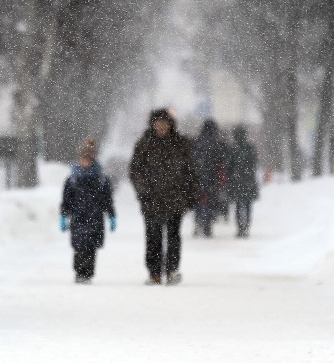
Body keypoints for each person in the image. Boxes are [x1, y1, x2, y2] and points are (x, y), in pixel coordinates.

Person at [129, 109, 198, 285]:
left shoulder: (181, 144)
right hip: (151, 200)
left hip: (176, 198)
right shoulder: (144, 144)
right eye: (158, 123)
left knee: (174, 236)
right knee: (153, 237)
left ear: (170, 124)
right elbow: (135, 171)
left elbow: (190, 171)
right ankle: (154, 273)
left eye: (164, 123)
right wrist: (143, 191)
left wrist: (191, 193)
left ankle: (172, 269)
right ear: (152, 124)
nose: (161, 126)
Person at [60, 138, 116, 284]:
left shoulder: (101, 180)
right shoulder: (72, 180)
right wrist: (64, 215)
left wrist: (111, 215)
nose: (84, 162)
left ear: (92, 160)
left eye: (87, 160)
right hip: (77, 218)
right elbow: (66, 200)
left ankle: (88, 273)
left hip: (95, 218)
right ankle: (79, 272)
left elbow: (107, 199)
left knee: (90, 247)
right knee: (79, 246)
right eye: (81, 159)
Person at [192, 120, 227, 237]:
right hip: (212, 178)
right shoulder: (216, 144)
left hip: (197, 177)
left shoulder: (196, 142)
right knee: (210, 201)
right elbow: (220, 163)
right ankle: (207, 226)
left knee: (198, 201)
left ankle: (197, 222)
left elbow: (191, 160)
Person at [228, 126, 259, 238]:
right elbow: (255, 163)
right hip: (249, 180)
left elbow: (229, 166)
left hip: (236, 181)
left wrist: (230, 177)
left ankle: (240, 226)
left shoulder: (233, 149)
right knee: (247, 204)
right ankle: (246, 225)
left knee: (238, 204)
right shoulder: (250, 148)